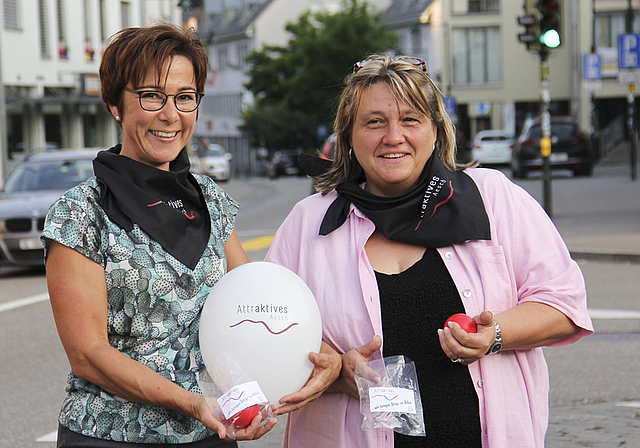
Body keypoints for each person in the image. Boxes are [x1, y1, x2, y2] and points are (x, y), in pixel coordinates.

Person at [265, 55, 594, 448]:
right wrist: (336, 371)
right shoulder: (309, 223)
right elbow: (269, 332)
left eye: (411, 119)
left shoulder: (490, 198)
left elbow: (565, 306)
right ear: (348, 136)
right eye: (374, 122)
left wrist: (495, 334)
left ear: (435, 130)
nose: (393, 136)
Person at [41, 24, 278, 447]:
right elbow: (88, 356)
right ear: (115, 103)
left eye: (185, 97)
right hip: (110, 436)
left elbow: (250, 308)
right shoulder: (81, 213)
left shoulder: (211, 201)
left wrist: (314, 355)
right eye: (151, 95)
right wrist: (191, 403)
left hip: (211, 430)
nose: (171, 115)